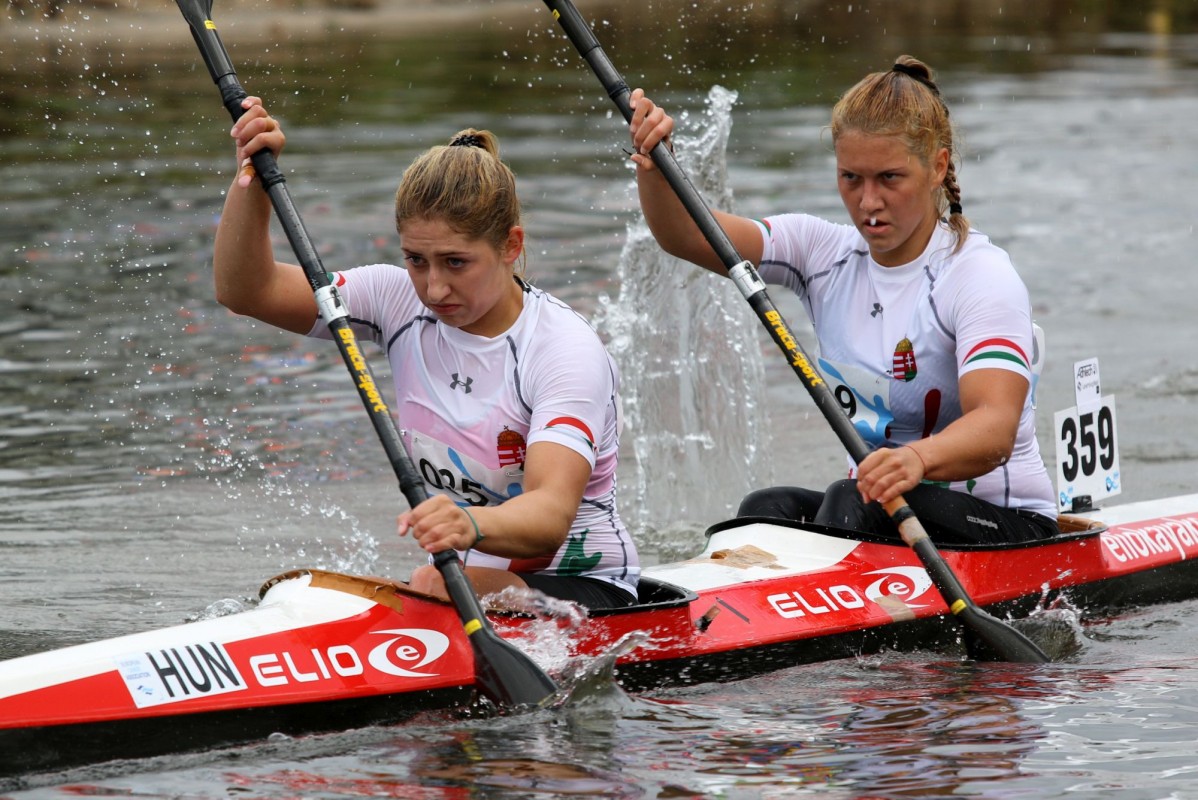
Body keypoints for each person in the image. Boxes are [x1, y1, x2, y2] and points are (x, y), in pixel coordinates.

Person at [214, 97, 639, 609]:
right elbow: (247, 291)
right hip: (464, 581)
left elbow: (550, 514)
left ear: (510, 246)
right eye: (416, 260)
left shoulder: (562, 350)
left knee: (430, 582)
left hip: (589, 590)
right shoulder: (395, 300)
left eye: (455, 262)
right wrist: (252, 183)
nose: (434, 289)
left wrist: (469, 522)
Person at [626, 56, 1057, 545]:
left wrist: (916, 460)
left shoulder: (979, 275)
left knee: (853, 499)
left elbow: (996, 430)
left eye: (889, 178)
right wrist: (655, 166)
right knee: (765, 511)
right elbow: (687, 236)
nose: (868, 202)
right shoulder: (820, 253)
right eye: (851, 178)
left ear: (937, 167)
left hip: (1007, 525)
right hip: (877, 510)